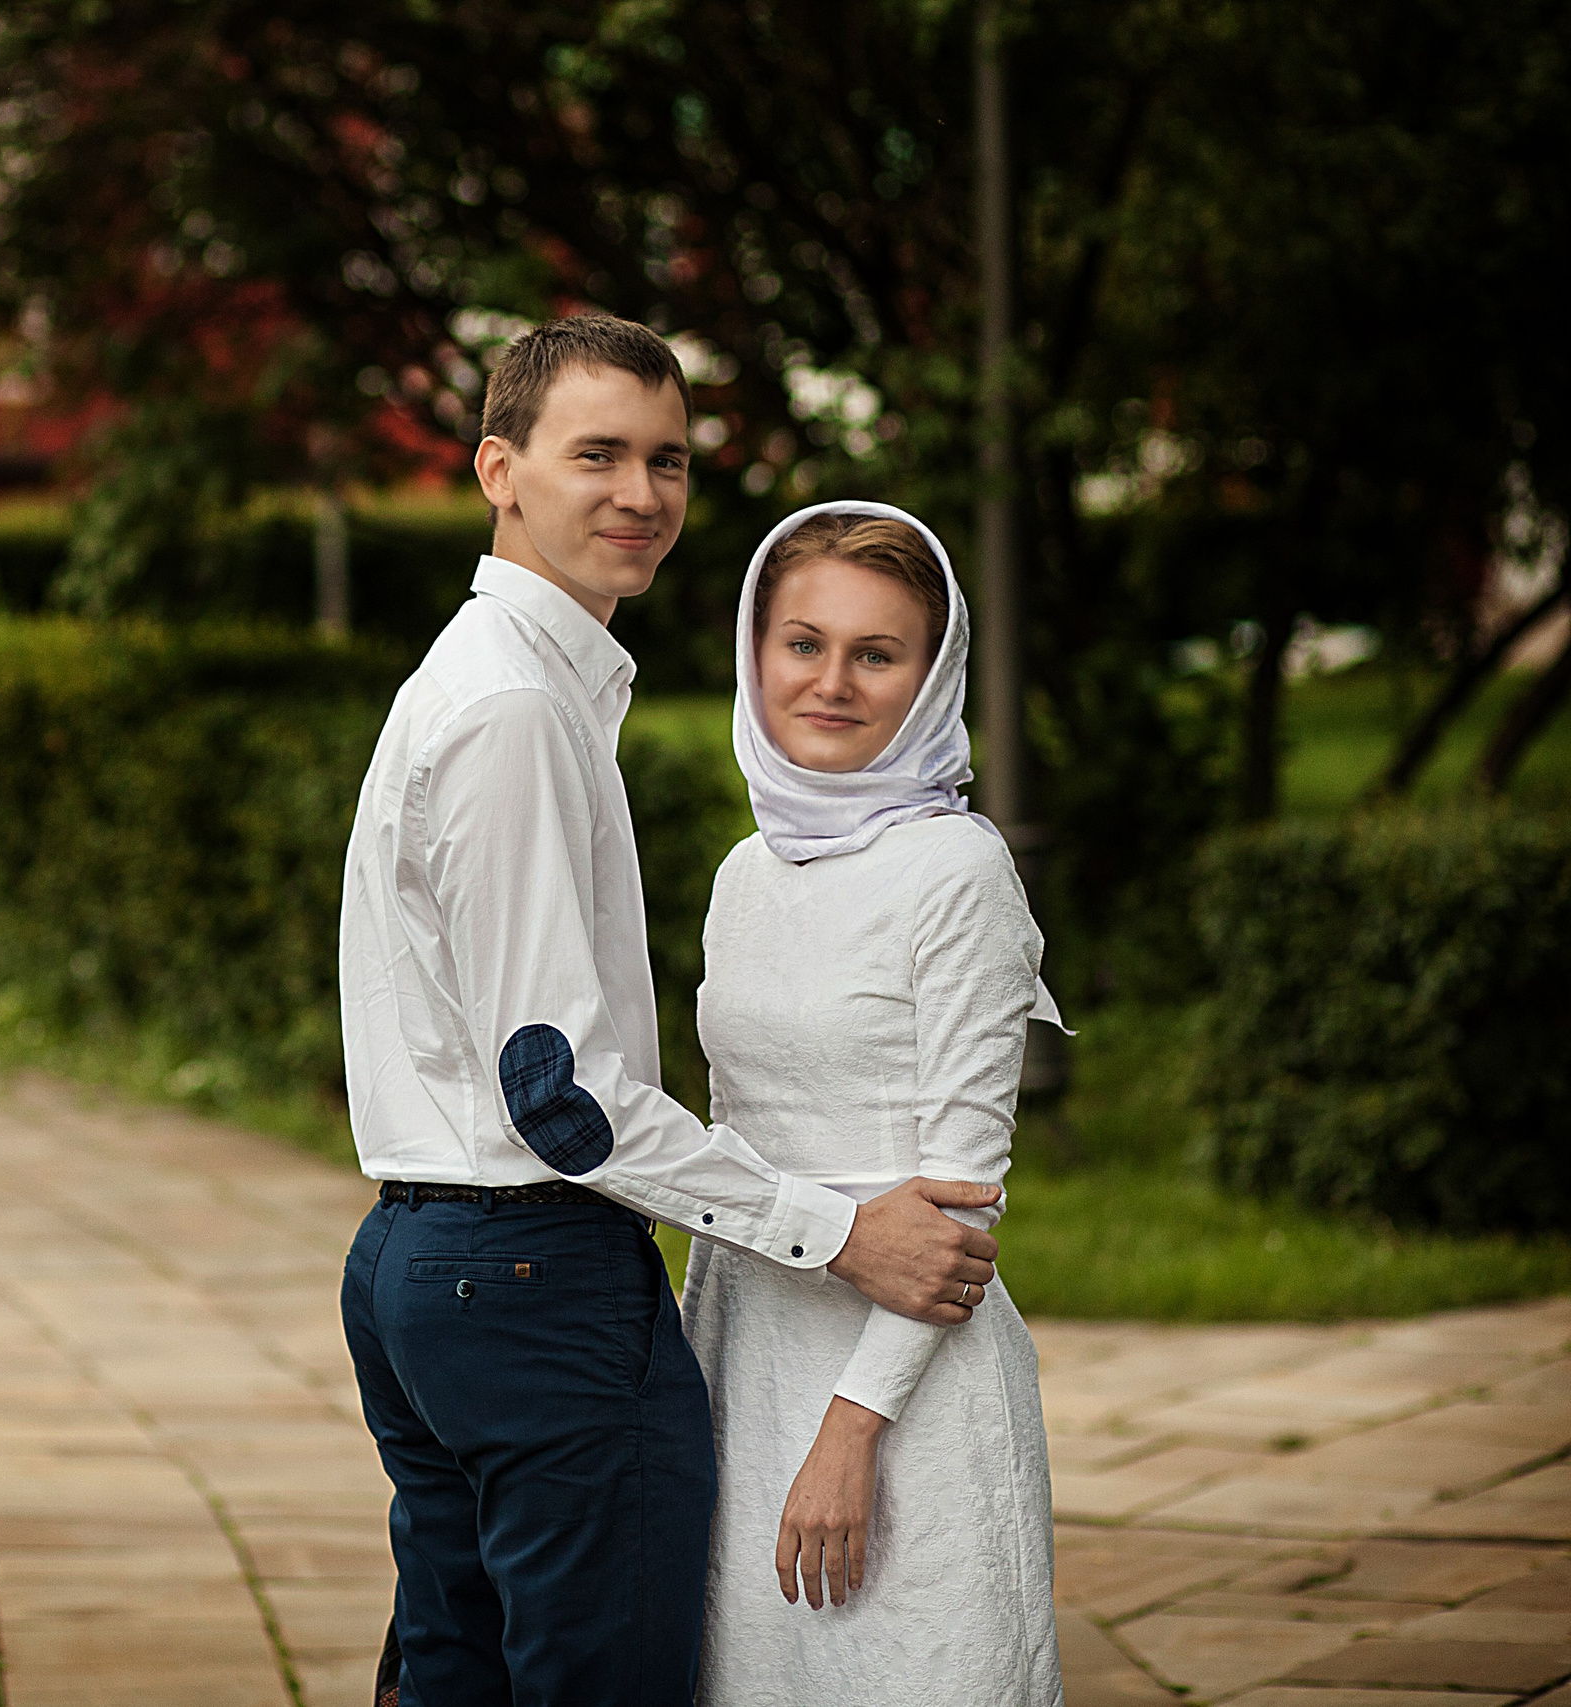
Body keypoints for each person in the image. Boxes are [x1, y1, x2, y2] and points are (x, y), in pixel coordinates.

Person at [338, 316, 1006, 1707]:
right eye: (599, 454)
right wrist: (838, 1230)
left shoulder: (500, 680)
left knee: (457, 1672)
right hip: (526, 1271)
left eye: (669, 460)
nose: (641, 494)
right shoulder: (518, 706)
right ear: (498, 469)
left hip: (435, 1253)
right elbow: (562, 1096)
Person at [682, 501, 1064, 1705]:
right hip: (746, 1359)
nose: (831, 682)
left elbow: (960, 1205)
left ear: (930, 675)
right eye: (803, 643)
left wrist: (853, 1435)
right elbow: (723, 1142)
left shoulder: (955, 869)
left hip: (905, 1396)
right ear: (754, 653)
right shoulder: (744, 871)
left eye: (876, 653)